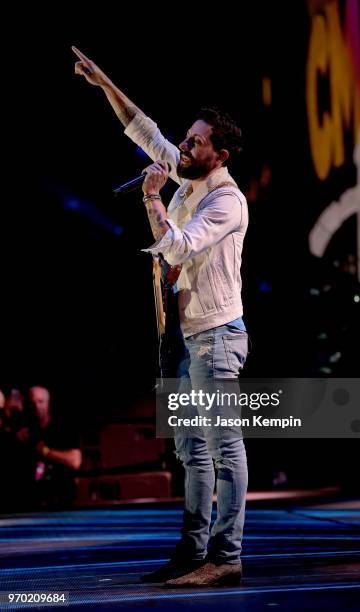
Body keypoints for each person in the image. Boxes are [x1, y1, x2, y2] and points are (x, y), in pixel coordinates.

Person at [73, 47, 249, 587]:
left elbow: (176, 250)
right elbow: (144, 129)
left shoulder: (225, 202)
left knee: (223, 447)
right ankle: (193, 551)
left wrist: (152, 200)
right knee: (191, 450)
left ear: (218, 154)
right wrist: (105, 83)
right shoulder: (191, 178)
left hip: (215, 334)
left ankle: (226, 555)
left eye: (195, 141)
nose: (183, 146)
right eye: (187, 138)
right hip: (180, 336)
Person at [28, 386, 82, 509]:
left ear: (48, 403)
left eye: (41, 401)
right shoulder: (26, 432)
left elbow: (75, 461)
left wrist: (46, 451)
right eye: (32, 403)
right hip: (34, 503)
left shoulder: (63, 428)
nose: (37, 407)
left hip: (61, 501)